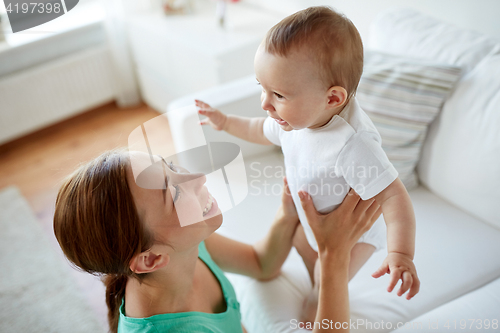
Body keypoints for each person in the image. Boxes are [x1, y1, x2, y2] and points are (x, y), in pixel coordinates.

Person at [195, 6, 420, 322]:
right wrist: (226, 121)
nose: (264, 103)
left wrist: (400, 254)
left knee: (327, 279)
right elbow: (258, 129)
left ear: (332, 99)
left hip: (354, 237)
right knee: (305, 248)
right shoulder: (296, 118)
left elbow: (395, 198)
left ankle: (319, 298)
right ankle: (315, 273)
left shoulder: (352, 143)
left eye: (278, 94)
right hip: (311, 215)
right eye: (261, 87)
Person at [53, 149, 382, 332]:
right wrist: (334, 255)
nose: (196, 176)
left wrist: (288, 213)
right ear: (151, 259)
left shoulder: (184, 249)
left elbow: (260, 264)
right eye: (175, 192)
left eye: (170, 166)